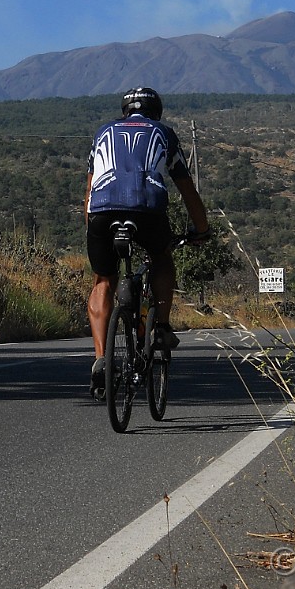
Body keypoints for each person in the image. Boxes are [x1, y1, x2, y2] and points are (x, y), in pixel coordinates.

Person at [84, 86, 210, 396]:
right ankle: (162, 328)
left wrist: (93, 227)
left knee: (103, 282)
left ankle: (101, 359)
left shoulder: (103, 131)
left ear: (124, 111)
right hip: (147, 209)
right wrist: (202, 229)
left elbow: (89, 190)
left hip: (101, 211)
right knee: (162, 258)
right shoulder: (162, 133)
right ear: (157, 112)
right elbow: (186, 187)